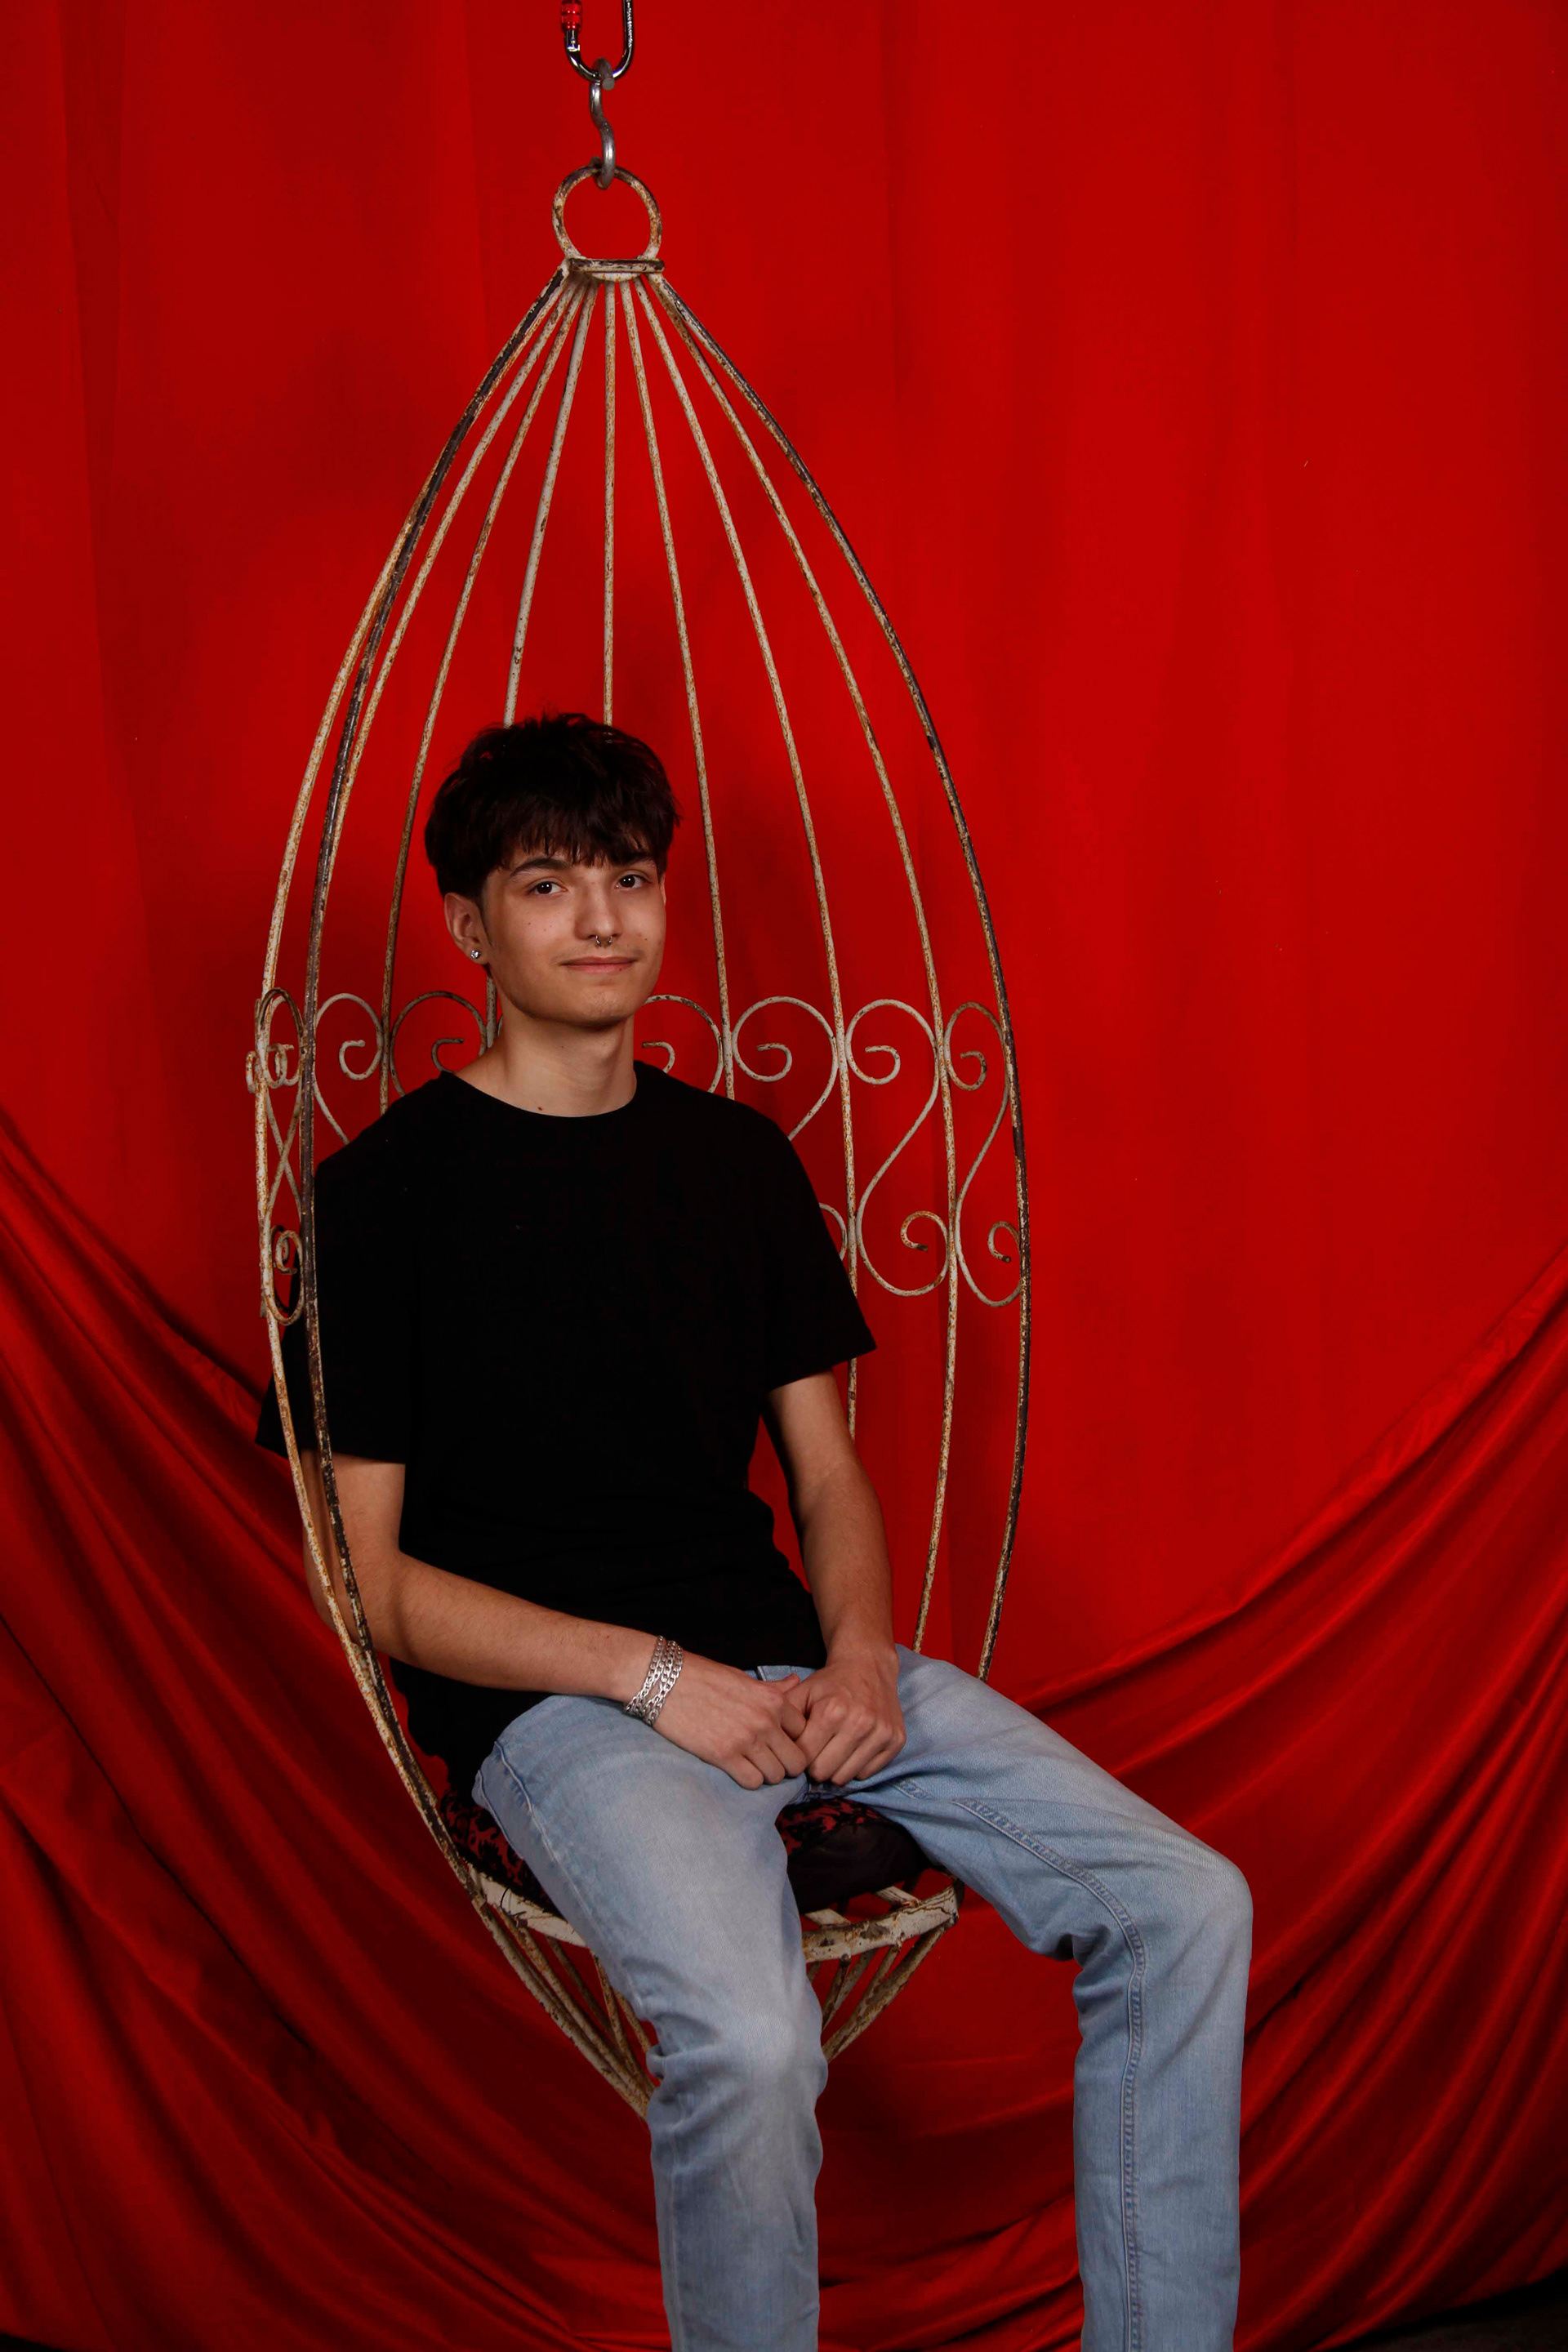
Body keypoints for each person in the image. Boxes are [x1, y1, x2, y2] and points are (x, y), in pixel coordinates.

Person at [256, 711, 1252, 2352]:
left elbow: (831, 1475)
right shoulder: (383, 1199)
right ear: (468, 925)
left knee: (1185, 1904)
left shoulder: (735, 1160)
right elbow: (365, 1582)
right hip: (561, 1710)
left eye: (631, 878)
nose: (602, 919)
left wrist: (857, 1659)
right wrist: (654, 1679)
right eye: (549, 884)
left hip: (793, 1664)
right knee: (752, 2037)